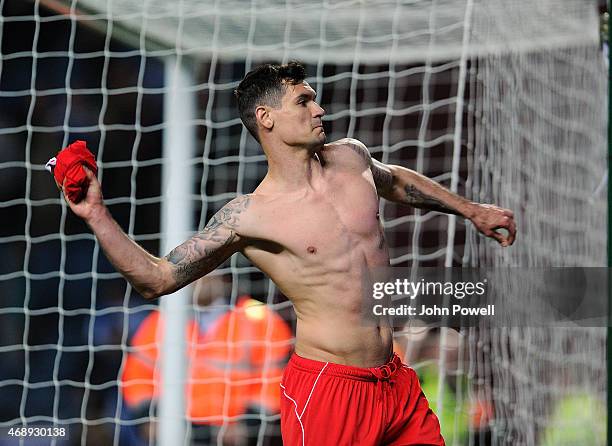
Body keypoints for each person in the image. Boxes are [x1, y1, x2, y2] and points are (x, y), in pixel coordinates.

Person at [59, 61, 516, 445]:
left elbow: (394, 180)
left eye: (314, 98)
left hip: (394, 378)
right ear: (266, 117)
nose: (319, 109)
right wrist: (97, 214)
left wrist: (470, 210)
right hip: (328, 390)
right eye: (303, 101)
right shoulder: (249, 217)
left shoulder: (351, 158)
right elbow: (156, 278)